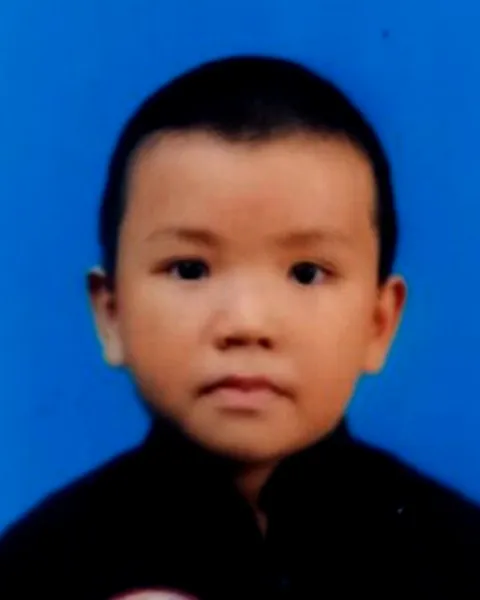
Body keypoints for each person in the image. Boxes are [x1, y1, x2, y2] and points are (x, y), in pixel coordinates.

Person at [0, 54, 478, 599]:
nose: (247, 324)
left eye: (306, 273)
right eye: (190, 269)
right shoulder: (34, 568)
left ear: (378, 323)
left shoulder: (459, 559)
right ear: (111, 313)